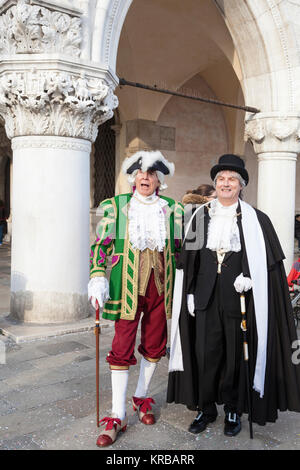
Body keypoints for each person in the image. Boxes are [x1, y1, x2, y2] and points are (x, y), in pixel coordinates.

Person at [167, 154, 300, 437]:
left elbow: (269, 266)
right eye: (221, 179)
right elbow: (189, 260)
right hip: (204, 300)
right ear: (216, 184)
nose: (226, 184)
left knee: (234, 358)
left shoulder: (256, 220)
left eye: (232, 179)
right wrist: (189, 293)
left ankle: (231, 409)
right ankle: (205, 408)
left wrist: (249, 277)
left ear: (241, 185)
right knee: (205, 355)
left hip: (239, 302)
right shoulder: (200, 217)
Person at [88, 150, 183, 447]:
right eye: (141, 173)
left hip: (160, 287)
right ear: (133, 177)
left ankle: (141, 397)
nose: (146, 177)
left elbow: (180, 250)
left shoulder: (173, 209)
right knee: (121, 344)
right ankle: (118, 413)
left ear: (159, 180)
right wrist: (98, 275)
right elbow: (101, 245)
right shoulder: (115, 207)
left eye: (152, 174)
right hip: (126, 287)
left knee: (155, 344)